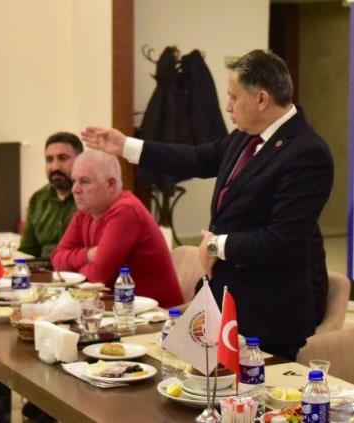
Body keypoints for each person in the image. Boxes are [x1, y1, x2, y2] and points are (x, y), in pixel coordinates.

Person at [81, 49, 334, 360]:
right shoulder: (245, 136)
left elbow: (282, 241)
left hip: (268, 315)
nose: (227, 106)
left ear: (261, 99)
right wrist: (126, 146)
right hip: (224, 302)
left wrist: (217, 246)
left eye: (234, 97)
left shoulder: (307, 153)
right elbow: (197, 158)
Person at [51, 150, 183, 308]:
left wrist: (75, 267)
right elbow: (57, 259)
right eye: (74, 181)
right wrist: (87, 255)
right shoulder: (86, 211)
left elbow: (96, 278)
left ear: (111, 184)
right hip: (117, 310)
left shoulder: (126, 210)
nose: (75, 189)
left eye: (84, 181)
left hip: (157, 315)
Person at [18, 131, 83, 258]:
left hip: (78, 268)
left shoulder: (90, 197)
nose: (55, 167)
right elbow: (27, 251)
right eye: (49, 160)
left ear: (80, 161)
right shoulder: (38, 199)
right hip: (42, 268)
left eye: (63, 158)